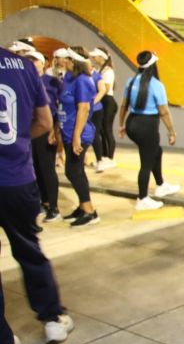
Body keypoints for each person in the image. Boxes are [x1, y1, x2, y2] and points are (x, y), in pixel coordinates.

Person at [0, 46, 74, 344]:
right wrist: (15, 141)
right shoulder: (24, 66)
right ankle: (53, 319)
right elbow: (44, 122)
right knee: (29, 250)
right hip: (17, 179)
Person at [117, 52, 180, 210]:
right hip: (147, 126)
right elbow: (164, 112)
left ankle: (160, 184)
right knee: (146, 162)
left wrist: (122, 125)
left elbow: (123, 105)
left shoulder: (131, 81)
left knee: (155, 152)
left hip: (132, 122)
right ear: (153, 66)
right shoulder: (156, 85)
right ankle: (142, 198)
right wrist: (171, 131)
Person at [60, 47, 101, 227]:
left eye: (66, 59)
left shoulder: (83, 80)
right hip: (68, 132)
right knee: (77, 171)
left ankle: (90, 211)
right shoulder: (70, 78)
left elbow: (83, 109)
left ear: (73, 61)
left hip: (79, 133)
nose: (63, 61)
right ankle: (84, 207)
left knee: (72, 171)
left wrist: (76, 136)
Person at [25, 51, 63, 222]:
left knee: (47, 169)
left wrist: (55, 131)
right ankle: (44, 201)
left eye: (35, 60)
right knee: (36, 169)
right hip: (30, 130)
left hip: (47, 131)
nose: (32, 63)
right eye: (29, 61)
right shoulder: (25, 81)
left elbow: (60, 109)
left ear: (42, 62)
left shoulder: (52, 82)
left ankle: (54, 208)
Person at [89, 47, 118, 171]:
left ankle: (110, 158)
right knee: (101, 130)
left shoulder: (108, 71)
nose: (93, 58)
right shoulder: (101, 70)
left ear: (102, 57)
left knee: (107, 130)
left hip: (108, 101)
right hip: (104, 101)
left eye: (95, 56)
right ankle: (104, 157)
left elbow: (105, 89)